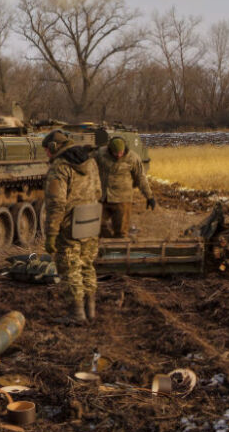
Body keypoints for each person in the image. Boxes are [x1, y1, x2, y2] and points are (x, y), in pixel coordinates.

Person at [42, 130, 102, 322]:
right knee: (87, 264)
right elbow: (99, 191)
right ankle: (90, 310)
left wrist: (51, 233)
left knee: (69, 267)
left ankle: (77, 313)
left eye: (46, 151)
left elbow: (56, 203)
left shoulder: (60, 167)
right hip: (91, 219)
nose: (47, 155)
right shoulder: (91, 161)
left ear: (53, 147)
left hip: (70, 224)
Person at [95, 137, 156, 238]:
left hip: (122, 200)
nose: (119, 155)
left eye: (121, 152)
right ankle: (105, 247)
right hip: (103, 198)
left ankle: (119, 250)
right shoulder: (100, 154)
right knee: (96, 226)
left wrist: (149, 196)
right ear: (110, 150)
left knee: (121, 233)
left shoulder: (132, 158)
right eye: (116, 153)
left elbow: (141, 177)